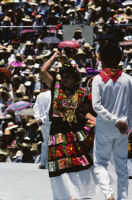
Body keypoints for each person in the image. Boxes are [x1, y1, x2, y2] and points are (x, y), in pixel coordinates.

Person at [41, 50, 96, 200]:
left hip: (73, 134)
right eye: (62, 75)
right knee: (60, 166)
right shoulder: (56, 88)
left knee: (76, 164)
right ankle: (69, 195)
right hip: (57, 133)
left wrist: (97, 122)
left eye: (67, 76)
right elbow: (42, 71)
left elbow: (85, 114)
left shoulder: (81, 93)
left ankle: (77, 193)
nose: (64, 78)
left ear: (74, 78)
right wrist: (53, 57)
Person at [92, 43, 132, 200]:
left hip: (105, 127)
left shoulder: (98, 79)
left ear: (102, 58)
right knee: (122, 167)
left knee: (100, 163)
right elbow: (131, 106)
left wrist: (115, 120)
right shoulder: (128, 79)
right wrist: (130, 128)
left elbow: (96, 105)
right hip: (123, 128)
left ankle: (109, 195)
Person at [33, 89, 51, 169]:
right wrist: (43, 119)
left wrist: (38, 118)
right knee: (50, 142)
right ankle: (47, 163)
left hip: (42, 122)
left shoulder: (40, 95)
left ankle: (43, 162)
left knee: (45, 141)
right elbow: (49, 109)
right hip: (49, 121)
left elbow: (35, 107)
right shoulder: (53, 94)